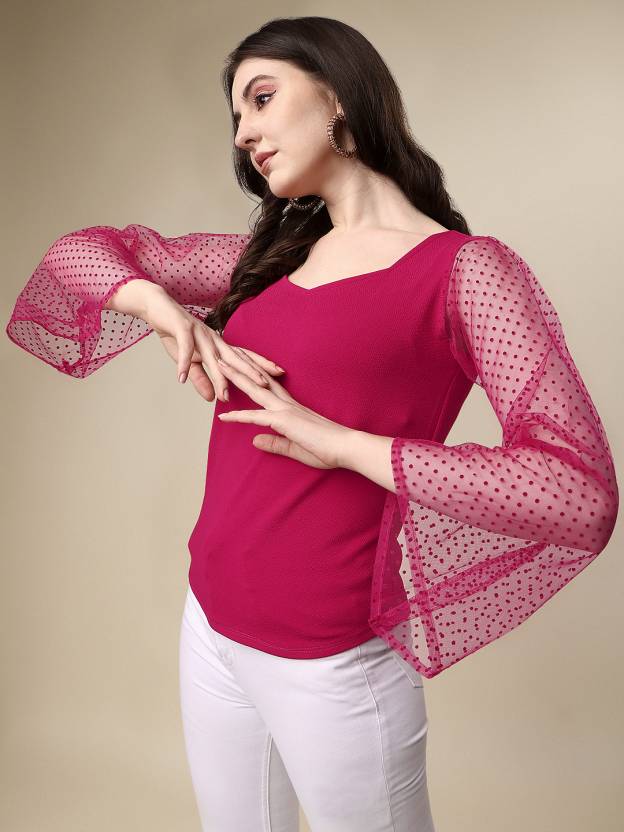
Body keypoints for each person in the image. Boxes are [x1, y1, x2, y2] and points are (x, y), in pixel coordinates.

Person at [5, 16, 618, 832]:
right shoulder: (269, 261)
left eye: (261, 99)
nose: (243, 133)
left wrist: (345, 445)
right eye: (235, 117)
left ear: (339, 98)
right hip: (211, 628)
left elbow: (578, 493)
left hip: (334, 664)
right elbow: (77, 255)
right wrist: (158, 307)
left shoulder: (466, 273)